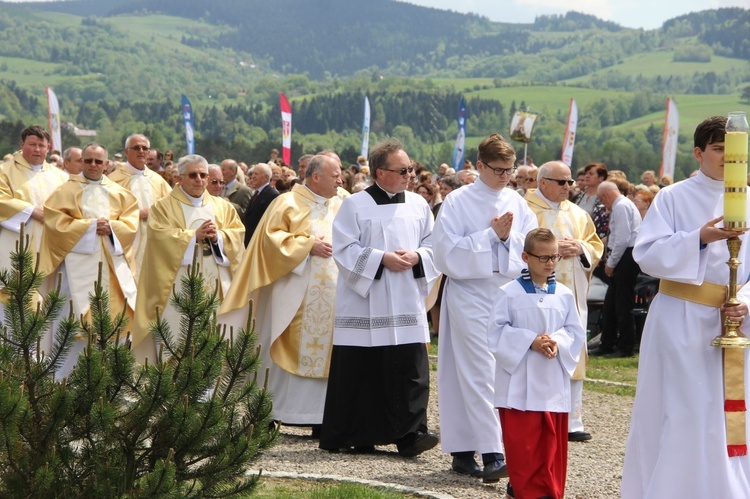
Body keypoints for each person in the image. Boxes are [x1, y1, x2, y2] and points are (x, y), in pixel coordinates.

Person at [622, 116, 750, 498]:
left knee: (726, 414)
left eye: (736, 152)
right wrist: (700, 237)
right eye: (718, 150)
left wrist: (742, 302)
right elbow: (646, 254)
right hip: (680, 319)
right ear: (699, 152)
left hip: (732, 323)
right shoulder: (673, 196)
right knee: (683, 411)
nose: (728, 158)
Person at [319, 138, 440, 457]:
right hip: (366, 302)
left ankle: (411, 435)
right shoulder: (355, 205)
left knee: (410, 369)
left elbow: (434, 245)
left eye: (411, 168)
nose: (410, 175)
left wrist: (417, 256)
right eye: (403, 170)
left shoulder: (418, 205)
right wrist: (380, 259)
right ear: (380, 172)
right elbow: (343, 249)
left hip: (406, 300)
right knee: (364, 371)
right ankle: (360, 434)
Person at [433, 133, 537, 482]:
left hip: (504, 293)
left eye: (510, 170)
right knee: (478, 371)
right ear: (479, 166)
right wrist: (490, 236)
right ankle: (494, 453)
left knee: (501, 371)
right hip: (469, 293)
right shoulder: (458, 201)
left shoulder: (517, 202)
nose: (505, 176)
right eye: (498, 170)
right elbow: (445, 253)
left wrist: (508, 239)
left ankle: (464, 451)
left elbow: (530, 243)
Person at [219, 154, 343, 434]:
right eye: (335, 175)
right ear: (316, 177)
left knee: (328, 353)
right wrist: (306, 246)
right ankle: (273, 412)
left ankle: (321, 417)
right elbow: (269, 241)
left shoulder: (341, 204)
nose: (340, 180)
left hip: (332, 296)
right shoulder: (286, 203)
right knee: (282, 343)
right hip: (293, 292)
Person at [488, 228, 585, 499]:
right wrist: (530, 341)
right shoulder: (508, 293)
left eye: (554, 257)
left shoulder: (564, 294)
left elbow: (575, 332)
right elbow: (495, 332)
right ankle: (524, 491)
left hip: (552, 380)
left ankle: (549, 491)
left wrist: (557, 341)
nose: (550, 263)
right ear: (525, 257)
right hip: (519, 384)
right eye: (542, 258)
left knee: (551, 443)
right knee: (524, 444)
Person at [131, 155, 245, 362]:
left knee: (213, 342)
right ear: (180, 178)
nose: (199, 180)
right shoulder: (163, 207)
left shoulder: (223, 207)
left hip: (215, 285)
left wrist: (218, 237)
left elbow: (237, 235)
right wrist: (192, 237)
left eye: (203, 175)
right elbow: (158, 238)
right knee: (178, 342)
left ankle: (211, 391)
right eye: (193, 175)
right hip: (177, 286)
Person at [38, 143, 139, 376]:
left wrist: (112, 227)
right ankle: (63, 379)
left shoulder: (120, 193)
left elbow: (131, 226)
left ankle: (113, 379)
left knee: (117, 323)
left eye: (98, 161)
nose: (93, 165)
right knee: (73, 322)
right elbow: (54, 223)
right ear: (81, 161)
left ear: (106, 164)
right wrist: (90, 227)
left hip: (112, 269)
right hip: (75, 271)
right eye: (88, 160)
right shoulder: (66, 190)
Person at [525, 161, 603, 442]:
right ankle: (536, 414)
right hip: (535, 296)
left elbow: (594, 245)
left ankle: (572, 420)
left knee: (572, 348)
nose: (568, 187)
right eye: (561, 182)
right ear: (542, 181)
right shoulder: (526, 210)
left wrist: (580, 248)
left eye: (570, 182)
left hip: (572, 296)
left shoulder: (578, 213)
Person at [0, 125, 69, 283]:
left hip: (51, 244)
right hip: (15, 242)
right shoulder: (4, 171)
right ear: (22, 144)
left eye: (41, 145)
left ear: (48, 148)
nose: (37, 149)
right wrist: (30, 210)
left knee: (49, 299)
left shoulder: (61, 177)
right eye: (32, 145)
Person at [108, 134, 171, 281]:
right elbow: (106, 213)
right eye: (136, 147)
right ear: (126, 151)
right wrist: (136, 214)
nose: (141, 151)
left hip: (154, 243)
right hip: (126, 243)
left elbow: (172, 207)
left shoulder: (158, 180)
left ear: (149, 153)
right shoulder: (113, 180)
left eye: (145, 148)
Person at [591, 180, 640, 358]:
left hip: (626, 256)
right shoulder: (623, 205)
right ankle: (607, 343)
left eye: (602, 200)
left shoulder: (620, 207)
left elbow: (622, 239)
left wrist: (611, 263)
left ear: (605, 195)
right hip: (625, 255)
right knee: (611, 304)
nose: (604, 205)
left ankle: (625, 346)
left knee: (622, 305)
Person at [243, 163, 279, 245]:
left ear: (266, 177)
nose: (253, 177)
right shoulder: (256, 193)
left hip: (259, 242)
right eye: (252, 174)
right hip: (249, 240)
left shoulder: (272, 195)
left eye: (256, 174)